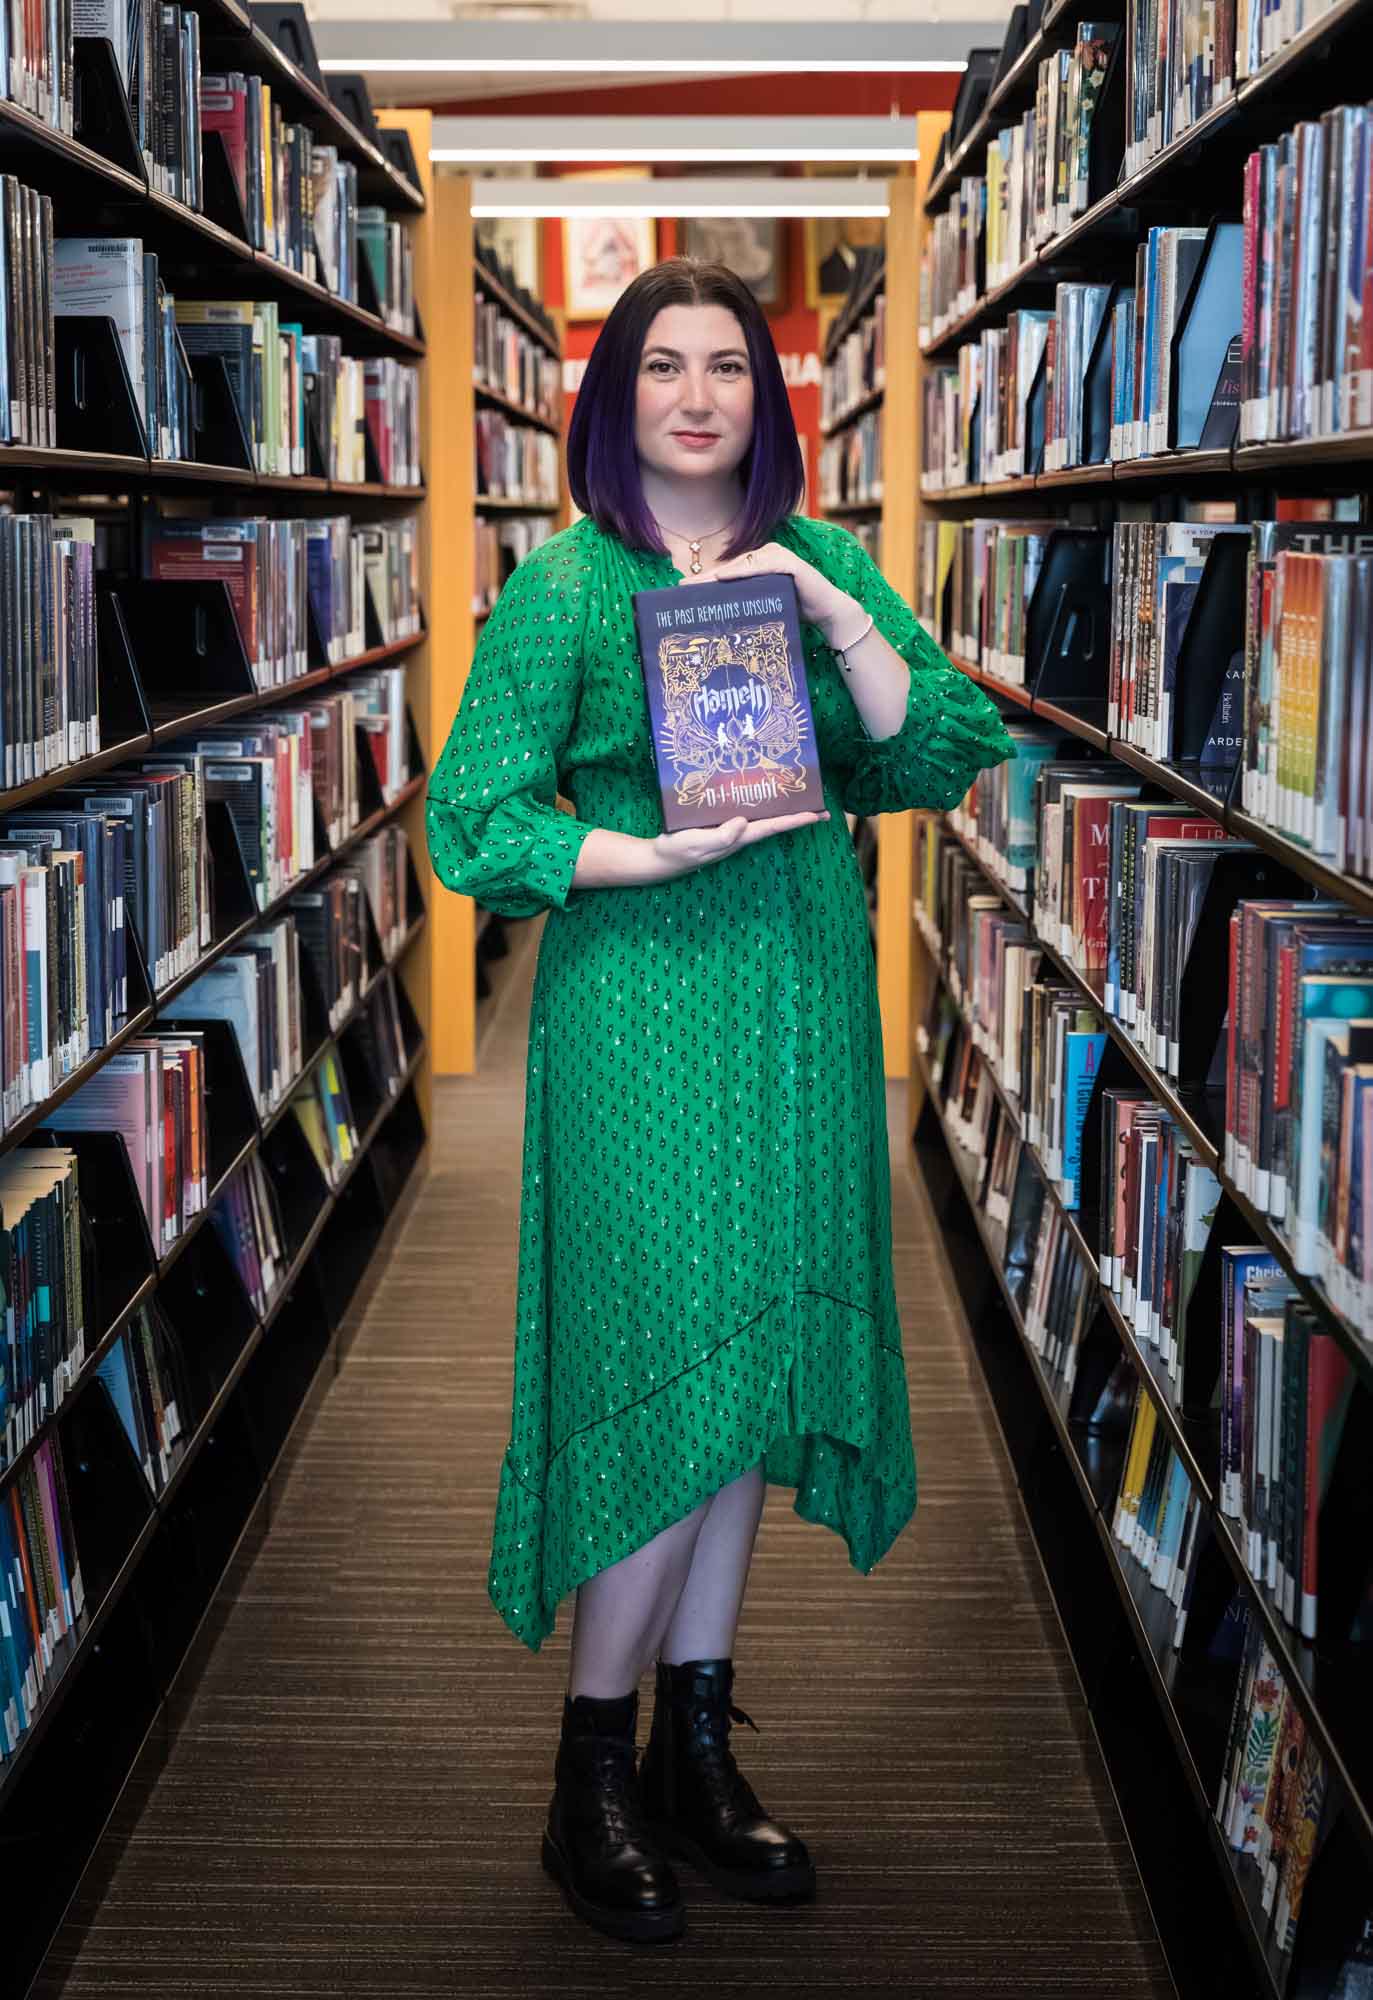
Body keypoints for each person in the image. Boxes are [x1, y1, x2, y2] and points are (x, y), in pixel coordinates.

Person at [425, 257, 1015, 1949]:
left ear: (769, 399)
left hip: (798, 1010)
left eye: (729, 370)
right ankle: (588, 1774)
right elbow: (474, 817)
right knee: (665, 1358)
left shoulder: (824, 563)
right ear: (610, 401)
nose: (696, 395)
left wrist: (834, 615)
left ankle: (695, 1740)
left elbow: (934, 744)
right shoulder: (561, 589)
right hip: (637, 1012)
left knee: (750, 1366)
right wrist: (637, 850)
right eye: (661, 367)